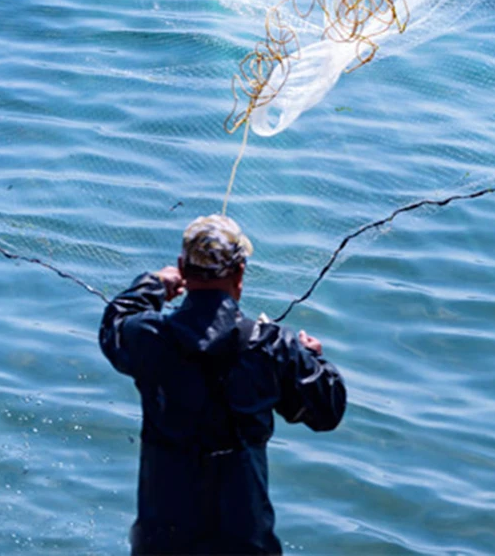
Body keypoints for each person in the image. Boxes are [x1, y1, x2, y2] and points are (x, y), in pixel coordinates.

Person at [99, 214, 346, 555]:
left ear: (182, 268)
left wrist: (154, 283)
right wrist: (314, 359)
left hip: (162, 539)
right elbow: (327, 411)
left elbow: (114, 324)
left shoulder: (149, 338)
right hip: (243, 540)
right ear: (240, 273)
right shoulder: (271, 346)